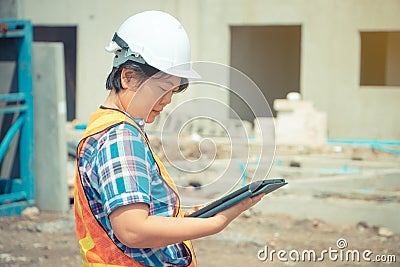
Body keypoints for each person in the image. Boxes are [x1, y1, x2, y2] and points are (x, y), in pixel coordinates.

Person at [74, 10, 264, 267]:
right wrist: (214, 224)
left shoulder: (108, 125)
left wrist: (188, 218)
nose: (167, 101)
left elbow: (138, 218)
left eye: (173, 92)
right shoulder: (121, 136)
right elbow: (132, 230)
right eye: (163, 89)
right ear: (128, 77)